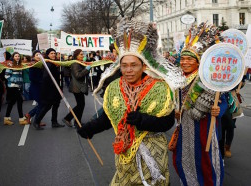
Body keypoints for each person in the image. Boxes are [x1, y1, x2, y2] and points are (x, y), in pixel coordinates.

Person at [77, 18, 186, 185]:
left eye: (134, 65)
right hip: (124, 153)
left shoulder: (159, 88)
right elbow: (110, 117)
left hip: (152, 152)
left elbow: (167, 122)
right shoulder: (114, 87)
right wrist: (91, 128)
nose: (128, 70)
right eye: (124, 65)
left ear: (144, 66)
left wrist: (144, 120)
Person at [172, 23, 228, 186]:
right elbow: (174, 101)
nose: (185, 62)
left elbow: (223, 102)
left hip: (204, 127)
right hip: (184, 128)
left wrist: (219, 110)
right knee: (184, 159)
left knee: (206, 161)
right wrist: (174, 111)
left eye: (189, 59)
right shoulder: (178, 79)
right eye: (182, 59)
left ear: (198, 61)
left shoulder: (208, 79)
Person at [32, 48, 65, 130]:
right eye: (51, 53)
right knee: (47, 106)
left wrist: (61, 72)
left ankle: (54, 122)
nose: (53, 55)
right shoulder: (48, 64)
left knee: (56, 105)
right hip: (50, 89)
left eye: (54, 53)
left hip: (56, 88)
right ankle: (37, 121)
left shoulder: (54, 63)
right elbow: (46, 77)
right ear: (48, 55)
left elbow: (55, 75)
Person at [62, 49, 91, 127]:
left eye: (83, 54)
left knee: (81, 105)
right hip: (77, 87)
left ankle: (77, 122)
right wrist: (86, 70)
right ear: (76, 55)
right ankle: (68, 118)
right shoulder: (75, 64)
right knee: (80, 105)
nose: (83, 56)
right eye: (81, 54)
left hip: (79, 87)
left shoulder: (79, 63)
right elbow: (78, 75)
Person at [4, 52, 28, 125]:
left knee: (11, 102)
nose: (17, 57)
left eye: (18, 56)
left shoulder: (20, 65)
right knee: (20, 100)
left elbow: (20, 76)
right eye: (16, 56)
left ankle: (6, 118)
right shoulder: (10, 65)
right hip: (12, 86)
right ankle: (21, 119)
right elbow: (7, 76)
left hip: (18, 86)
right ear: (13, 57)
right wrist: (15, 81)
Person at [25, 50, 45, 127]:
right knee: (42, 104)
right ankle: (36, 120)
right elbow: (31, 77)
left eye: (40, 55)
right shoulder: (33, 64)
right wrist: (41, 80)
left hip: (40, 87)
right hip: (35, 87)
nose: (39, 56)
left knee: (42, 104)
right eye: (37, 55)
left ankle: (29, 115)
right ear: (33, 56)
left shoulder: (40, 64)